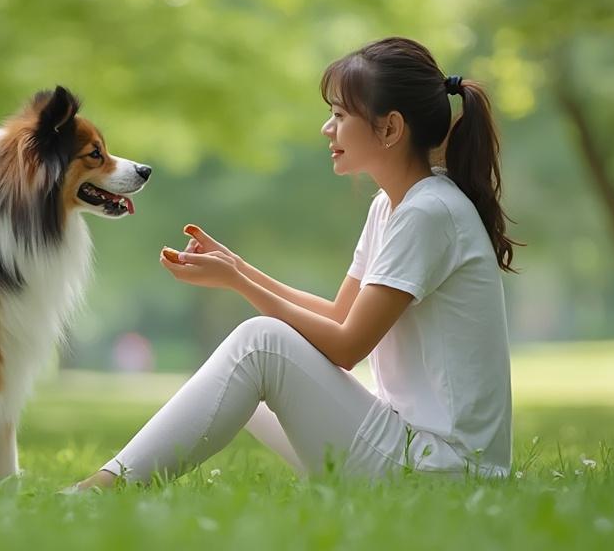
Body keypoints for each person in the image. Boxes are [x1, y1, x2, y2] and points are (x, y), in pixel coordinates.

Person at [74, 36, 518, 489]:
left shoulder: (428, 212)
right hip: (412, 449)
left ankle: (102, 489)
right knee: (241, 370)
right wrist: (236, 268)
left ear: (389, 129)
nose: (328, 128)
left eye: (340, 115)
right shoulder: (391, 206)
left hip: (445, 468)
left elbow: (347, 347)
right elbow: (341, 315)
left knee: (259, 344)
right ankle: (111, 483)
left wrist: (239, 282)